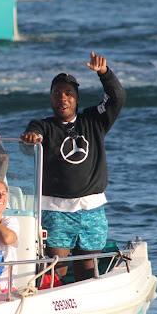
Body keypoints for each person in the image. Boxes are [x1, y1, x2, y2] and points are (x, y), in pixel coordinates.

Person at [20, 52, 126, 281]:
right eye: (57, 94)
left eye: (68, 94)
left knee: (87, 266)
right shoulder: (43, 125)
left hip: (91, 208)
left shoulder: (93, 120)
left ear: (77, 99)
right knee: (55, 267)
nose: (63, 98)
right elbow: (33, 132)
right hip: (56, 210)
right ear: (51, 99)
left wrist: (104, 74)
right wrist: (31, 138)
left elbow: (117, 97)